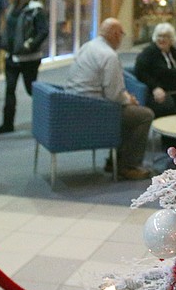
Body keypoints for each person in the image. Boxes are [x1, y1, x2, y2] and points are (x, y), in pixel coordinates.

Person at [65, 18, 153, 180]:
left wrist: (125, 99)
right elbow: (114, 95)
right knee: (143, 115)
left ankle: (115, 160)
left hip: (73, 103)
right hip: (94, 109)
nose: (122, 38)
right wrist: (129, 100)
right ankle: (128, 165)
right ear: (114, 34)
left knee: (130, 113)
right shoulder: (109, 55)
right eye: (121, 34)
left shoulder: (88, 46)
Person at [0, 0, 47, 135]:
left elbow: (43, 31)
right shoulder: (12, 8)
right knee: (9, 90)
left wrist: (29, 45)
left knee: (31, 90)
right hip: (11, 56)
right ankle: (7, 123)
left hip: (29, 58)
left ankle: (45, 119)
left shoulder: (36, 9)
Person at [133, 22, 176, 151]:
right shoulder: (149, 53)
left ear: (171, 39)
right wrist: (155, 87)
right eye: (159, 36)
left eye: (165, 36)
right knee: (168, 107)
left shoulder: (175, 52)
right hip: (159, 93)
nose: (162, 39)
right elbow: (140, 72)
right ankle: (170, 144)